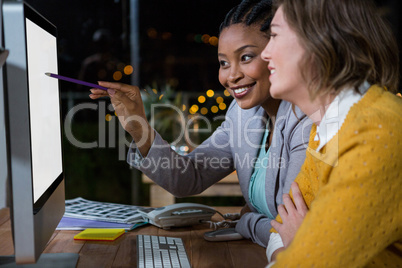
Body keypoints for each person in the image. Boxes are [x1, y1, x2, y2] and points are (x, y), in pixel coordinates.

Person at [90, 0, 311, 248]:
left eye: (246, 57)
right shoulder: (242, 116)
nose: (231, 76)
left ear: (278, 53)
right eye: (224, 62)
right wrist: (139, 127)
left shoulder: (306, 122)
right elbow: (189, 177)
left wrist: (246, 220)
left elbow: (292, 234)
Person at [261, 0, 402, 266]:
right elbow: (279, 226)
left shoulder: (375, 132)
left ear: (319, 40)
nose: (265, 53)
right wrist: (294, 247)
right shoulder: (326, 130)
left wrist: (299, 245)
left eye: (275, 35)